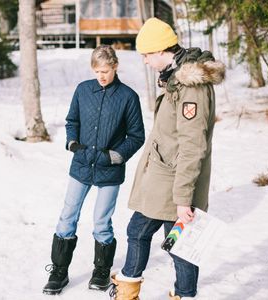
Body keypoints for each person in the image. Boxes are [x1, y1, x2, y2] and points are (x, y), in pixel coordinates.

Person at [110, 18, 225, 299]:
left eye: (147, 55)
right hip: (164, 179)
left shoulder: (190, 87)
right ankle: (131, 287)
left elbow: (193, 144)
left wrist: (183, 197)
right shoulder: (176, 78)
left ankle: (153, 291)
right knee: (159, 237)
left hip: (174, 184)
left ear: (162, 50)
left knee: (169, 241)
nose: (146, 62)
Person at [42, 45, 145, 295]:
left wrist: (114, 156)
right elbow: (72, 121)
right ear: (92, 69)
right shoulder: (82, 90)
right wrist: (73, 143)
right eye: (98, 71)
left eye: (107, 71)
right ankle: (59, 271)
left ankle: (101, 270)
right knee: (67, 216)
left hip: (109, 169)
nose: (102, 76)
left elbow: (136, 135)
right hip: (81, 165)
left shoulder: (128, 97)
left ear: (115, 67)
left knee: (101, 221)